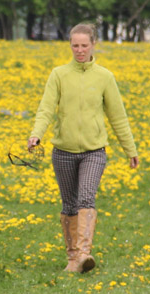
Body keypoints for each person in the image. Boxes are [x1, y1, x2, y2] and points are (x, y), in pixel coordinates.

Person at [27, 24, 138, 273]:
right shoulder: (58, 75)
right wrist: (36, 134)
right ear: (70, 46)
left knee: (86, 198)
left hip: (94, 151)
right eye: (75, 45)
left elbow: (117, 117)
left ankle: (84, 254)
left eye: (84, 45)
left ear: (93, 45)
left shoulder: (105, 77)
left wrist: (130, 150)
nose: (79, 50)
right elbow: (46, 108)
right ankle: (73, 258)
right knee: (69, 205)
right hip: (63, 151)